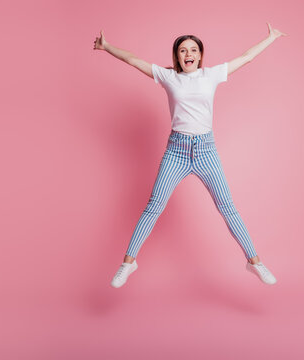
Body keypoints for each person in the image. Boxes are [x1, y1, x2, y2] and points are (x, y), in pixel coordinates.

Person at [93, 23, 288, 288]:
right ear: (177, 56)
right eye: (183, 50)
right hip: (177, 151)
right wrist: (106, 47)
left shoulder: (212, 75)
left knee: (228, 208)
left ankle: (255, 262)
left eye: (193, 49)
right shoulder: (167, 76)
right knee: (153, 207)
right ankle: (128, 263)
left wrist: (270, 38)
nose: (188, 54)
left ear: (200, 55)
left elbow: (246, 57)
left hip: (206, 151)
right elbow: (133, 60)